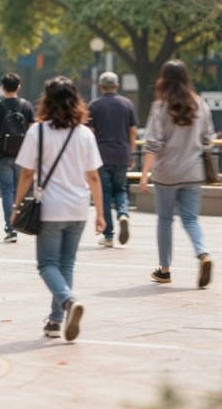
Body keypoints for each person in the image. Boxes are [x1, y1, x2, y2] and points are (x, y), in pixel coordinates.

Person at [12, 76, 105, 342]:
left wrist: (16, 205)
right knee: (66, 265)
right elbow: (94, 177)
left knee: (46, 264)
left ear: (47, 102)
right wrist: (100, 212)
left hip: (50, 209)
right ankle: (55, 320)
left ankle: (67, 301)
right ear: (76, 101)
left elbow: (27, 174)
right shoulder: (85, 134)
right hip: (78, 209)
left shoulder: (37, 132)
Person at [139, 59, 214, 289]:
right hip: (193, 172)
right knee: (191, 219)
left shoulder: (161, 106)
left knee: (164, 220)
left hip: (166, 174)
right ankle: (202, 253)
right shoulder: (200, 104)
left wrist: (144, 174)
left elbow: (153, 143)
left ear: (164, 79)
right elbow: (208, 139)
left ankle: (164, 270)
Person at [0, 72, 35, 243]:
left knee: (7, 191)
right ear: (18, 87)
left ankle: (10, 229)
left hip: (3, 154)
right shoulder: (27, 106)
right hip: (23, 154)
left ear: (2, 87)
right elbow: (33, 130)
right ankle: (20, 223)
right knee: (21, 190)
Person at [88, 71, 138, 247]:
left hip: (101, 155)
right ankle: (123, 214)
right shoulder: (127, 104)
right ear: (117, 86)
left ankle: (108, 236)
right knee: (121, 189)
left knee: (105, 195)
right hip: (122, 154)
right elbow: (133, 131)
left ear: (101, 87)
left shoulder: (94, 106)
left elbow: (90, 133)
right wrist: (131, 153)